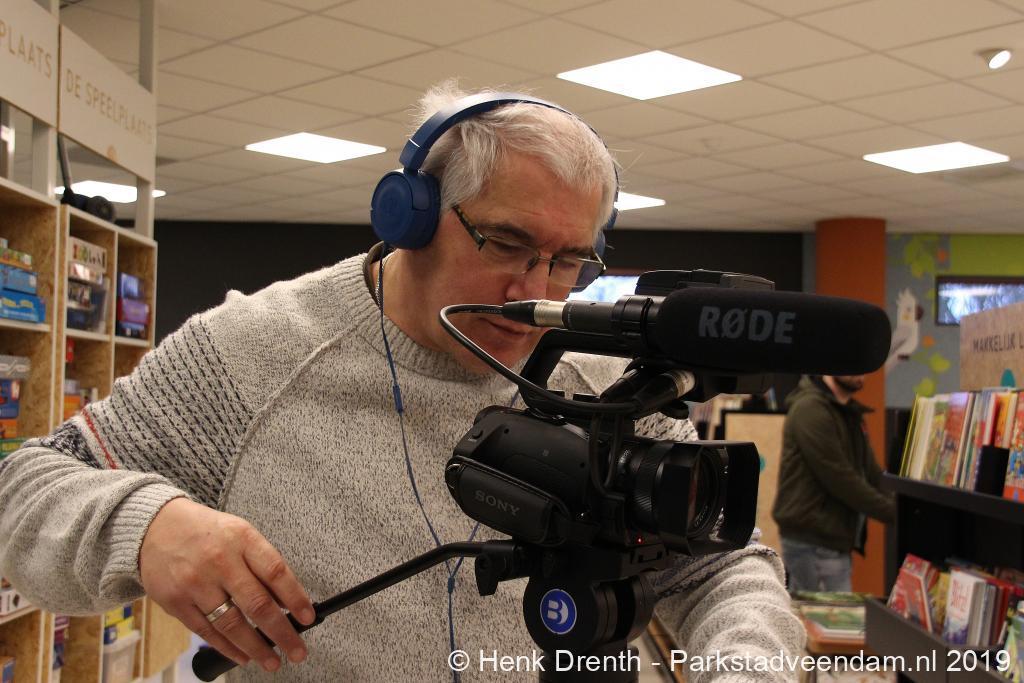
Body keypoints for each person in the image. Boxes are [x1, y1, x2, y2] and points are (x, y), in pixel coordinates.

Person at [0, 83, 803, 681]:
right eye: (506, 243)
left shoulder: (605, 372)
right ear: (408, 216)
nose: (536, 291)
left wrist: (748, 665)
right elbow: (25, 488)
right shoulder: (250, 352)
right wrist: (145, 525)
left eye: (568, 260)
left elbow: (717, 564)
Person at [772, 375, 896, 592]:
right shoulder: (810, 409)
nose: (860, 372)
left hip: (830, 541)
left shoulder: (848, 412)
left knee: (822, 611)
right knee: (827, 612)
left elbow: (872, 473)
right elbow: (840, 478)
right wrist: (895, 513)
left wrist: (906, 507)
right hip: (814, 542)